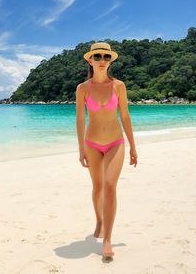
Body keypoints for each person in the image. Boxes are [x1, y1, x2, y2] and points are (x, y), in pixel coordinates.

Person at [75, 42, 138, 261]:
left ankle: (108, 239)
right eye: (98, 56)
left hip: (115, 142)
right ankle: (99, 221)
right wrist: (81, 148)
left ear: (110, 61)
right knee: (98, 186)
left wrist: (133, 146)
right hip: (92, 144)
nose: (102, 60)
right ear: (90, 60)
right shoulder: (82, 88)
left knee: (110, 186)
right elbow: (80, 119)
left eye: (106, 57)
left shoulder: (118, 86)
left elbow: (126, 116)